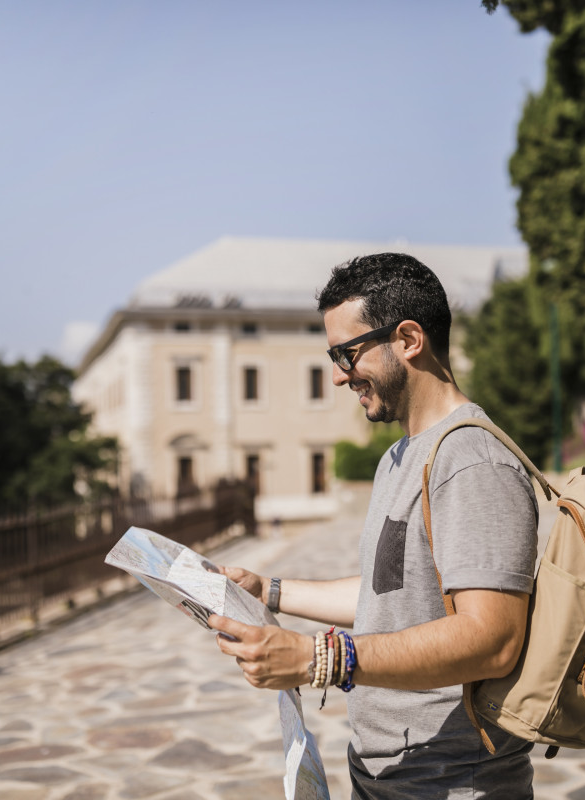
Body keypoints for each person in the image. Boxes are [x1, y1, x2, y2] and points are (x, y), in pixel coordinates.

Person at [208, 252, 539, 799]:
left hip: (452, 782)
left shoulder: (472, 460)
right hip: (387, 774)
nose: (338, 375)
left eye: (347, 353)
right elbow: (395, 598)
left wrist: (322, 659)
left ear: (408, 339)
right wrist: (269, 589)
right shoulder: (401, 456)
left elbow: (493, 638)